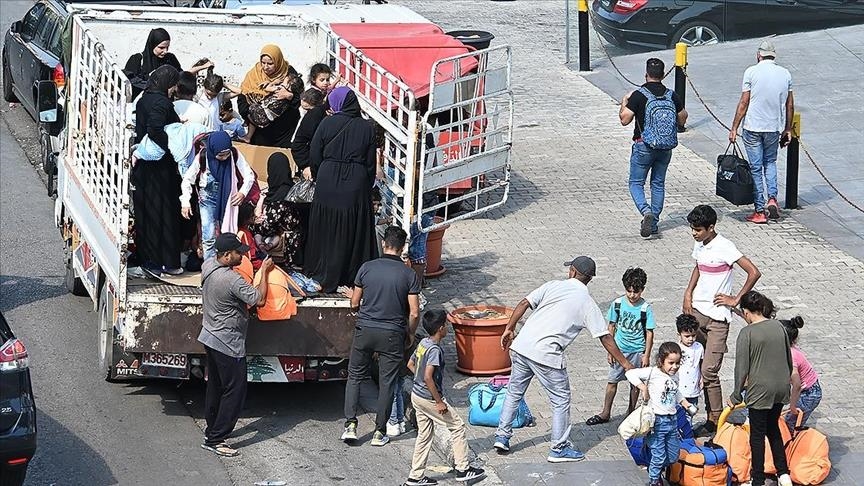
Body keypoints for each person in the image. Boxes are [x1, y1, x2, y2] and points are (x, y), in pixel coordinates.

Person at [493, 256, 636, 462]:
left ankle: (502, 436)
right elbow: (605, 337)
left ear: (573, 272)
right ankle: (558, 448)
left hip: (522, 347)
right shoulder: (587, 303)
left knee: (514, 391)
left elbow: (524, 302)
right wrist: (626, 364)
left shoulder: (552, 286)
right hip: (546, 355)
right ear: (589, 279)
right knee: (561, 400)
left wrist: (509, 328)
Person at [683, 204, 761, 436]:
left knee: (709, 370)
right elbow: (698, 267)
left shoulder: (725, 247)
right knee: (696, 364)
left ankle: (716, 419)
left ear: (711, 227)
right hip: (698, 311)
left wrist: (735, 299)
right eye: (692, 229)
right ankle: (707, 416)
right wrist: (688, 293)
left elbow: (753, 272)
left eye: (698, 229)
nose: (694, 233)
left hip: (718, 318)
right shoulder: (700, 243)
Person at [340, 226, 421, 447]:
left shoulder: (367, 268)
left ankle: (350, 425)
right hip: (393, 334)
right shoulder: (408, 274)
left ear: (384, 244)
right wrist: (410, 333)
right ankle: (378, 432)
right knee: (387, 383)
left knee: (355, 376)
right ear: (402, 247)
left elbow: (354, 303)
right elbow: (414, 312)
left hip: (365, 329)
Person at [199, 233, 274, 457]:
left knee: (216, 387)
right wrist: (264, 273)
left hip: (210, 336)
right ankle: (216, 438)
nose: (243, 255)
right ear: (225, 255)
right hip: (228, 343)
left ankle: (212, 430)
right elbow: (258, 299)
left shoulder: (208, 266)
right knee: (234, 391)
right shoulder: (231, 280)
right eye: (238, 252)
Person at [303, 87, 378, 293]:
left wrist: (320, 174)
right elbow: (371, 162)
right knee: (354, 228)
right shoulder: (367, 127)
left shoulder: (327, 123)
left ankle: (324, 272)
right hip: (356, 182)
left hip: (327, 180)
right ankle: (353, 275)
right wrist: (366, 183)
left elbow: (315, 153)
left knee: (326, 227)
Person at [403, 310, 486, 486]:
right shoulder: (434, 350)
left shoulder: (423, 343)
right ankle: (463, 469)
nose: (447, 328)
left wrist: (419, 382)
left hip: (417, 396)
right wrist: (439, 401)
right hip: (429, 398)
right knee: (457, 427)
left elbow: (411, 364)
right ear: (441, 328)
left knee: (425, 435)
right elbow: (428, 377)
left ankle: (415, 476)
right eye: (446, 325)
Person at [729, 291, 793, 486]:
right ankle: (783, 474)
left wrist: (735, 395)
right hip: (781, 388)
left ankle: (757, 479)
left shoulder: (747, 333)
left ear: (747, 312)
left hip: (760, 391)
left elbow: (741, 368)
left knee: (757, 435)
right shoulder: (779, 327)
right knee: (773, 428)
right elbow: (789, 361)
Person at [619, 58, 688, 238]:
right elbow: (682, 118)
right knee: (658, 184)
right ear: (663, 75)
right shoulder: (671, 95)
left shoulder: (639, 95)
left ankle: (645, 211)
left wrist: (624, 102)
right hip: (665, 148)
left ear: (646, 74)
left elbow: (624, 120)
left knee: (635, 183)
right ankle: (654, 223)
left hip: (644, 145)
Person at [728, 39, 794, 224]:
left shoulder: (751, 72)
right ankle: (772, 198)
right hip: (773, 127)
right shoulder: (785, 74)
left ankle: (759, 210)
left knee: (756, 168)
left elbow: (744, 102)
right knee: (770, 162)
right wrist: (787, 128)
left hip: (752, 127)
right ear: (774, 55)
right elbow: (790, 104)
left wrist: (734, 127)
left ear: (759, 55)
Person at [586, 267, 656, 426]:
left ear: (642, 290)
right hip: (619, 350)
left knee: (635, 385)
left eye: (635, 292)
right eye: (629, 291)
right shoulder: (617, 304)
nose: (632, 295)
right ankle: (606, 412)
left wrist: (646, 354)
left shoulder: (645, 308)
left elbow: (650, 333)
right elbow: (611, 327)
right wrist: (610, 351)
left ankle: (631, 411)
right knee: (612, 381)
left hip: (637, 350)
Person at [133, 65, 184, 276]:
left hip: (145, 167)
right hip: (161, 169)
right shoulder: (162, 102)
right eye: (173, 85)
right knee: (165, 213)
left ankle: (149, 260)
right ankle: (166, 262)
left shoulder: (144, 99)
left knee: (147, 213)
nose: (174, 89)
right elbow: (155, 128)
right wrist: (171, 145)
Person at [626, 342, 697, 486]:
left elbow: (675, 392)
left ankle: (651, 461)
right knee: (659, 455)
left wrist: (685, 403)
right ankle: (654, 480)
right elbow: (629, 373)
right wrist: (643, 387)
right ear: (661, 361)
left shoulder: (674, 376)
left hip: (672, 420)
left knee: (673, 455)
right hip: (656, 421)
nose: (674, 367)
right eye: (671, 363)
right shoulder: (653, 372)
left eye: (677, 363)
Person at [180, 131, 256, 260]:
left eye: (227, 154)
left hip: (228, 199)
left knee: (226, 236)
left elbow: (249, 175)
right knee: (208, 236)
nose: (225, 157)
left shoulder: (235, 154)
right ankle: (210, 268)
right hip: (207, 199)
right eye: (221, 155)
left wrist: (242, 193)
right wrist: (185, 202)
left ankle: (226, 266)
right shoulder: (203, 156)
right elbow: (188, 179)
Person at [237, 45, 302, 148]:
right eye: (263, 63)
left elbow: (298, 99)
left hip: (283, 130)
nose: (265, 67)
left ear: (278, 61)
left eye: (270, 64)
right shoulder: (254, 73)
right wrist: (250, 114)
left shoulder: (289, 74)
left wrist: (289, 96)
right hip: (260, 129)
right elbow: (243, 95)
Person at [250, 153, 305, 268]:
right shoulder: (289, 189)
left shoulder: (281, 198)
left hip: (289, 249)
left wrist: (251, 223)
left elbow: (266, 226)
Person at [123, 28, 210, 99]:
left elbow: (180, 76)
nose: (165, 51)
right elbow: (130, 80)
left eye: (167, 47)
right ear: (152, 45)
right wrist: (154, 87)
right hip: (143, 102)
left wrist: (199, 68)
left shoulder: (170, 59)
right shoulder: (137, 60)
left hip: (166, 103)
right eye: (161, 48)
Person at [781, 316, 821, 429]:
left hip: (809, 393)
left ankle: (793, 444)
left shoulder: (791, 355)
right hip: (807, 390)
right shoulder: (789, 348)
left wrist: (793, 406)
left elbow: (797, 384)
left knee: (791, 424)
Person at [291, 88, 328, 181]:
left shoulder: (315, 116)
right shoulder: (312, 117)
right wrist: (306, 165)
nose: (306, 113)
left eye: (308, 110)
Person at [676, 313, 704, 424]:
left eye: (693, 335)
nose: (690, 339)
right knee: (678, 413)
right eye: (687, 336)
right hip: (680, 389)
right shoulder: (676, 348)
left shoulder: (699, 347)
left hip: (693, 388)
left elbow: (700, 363)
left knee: (690, 413)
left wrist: (701, 377)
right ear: (679, 335)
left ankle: (687, 433)